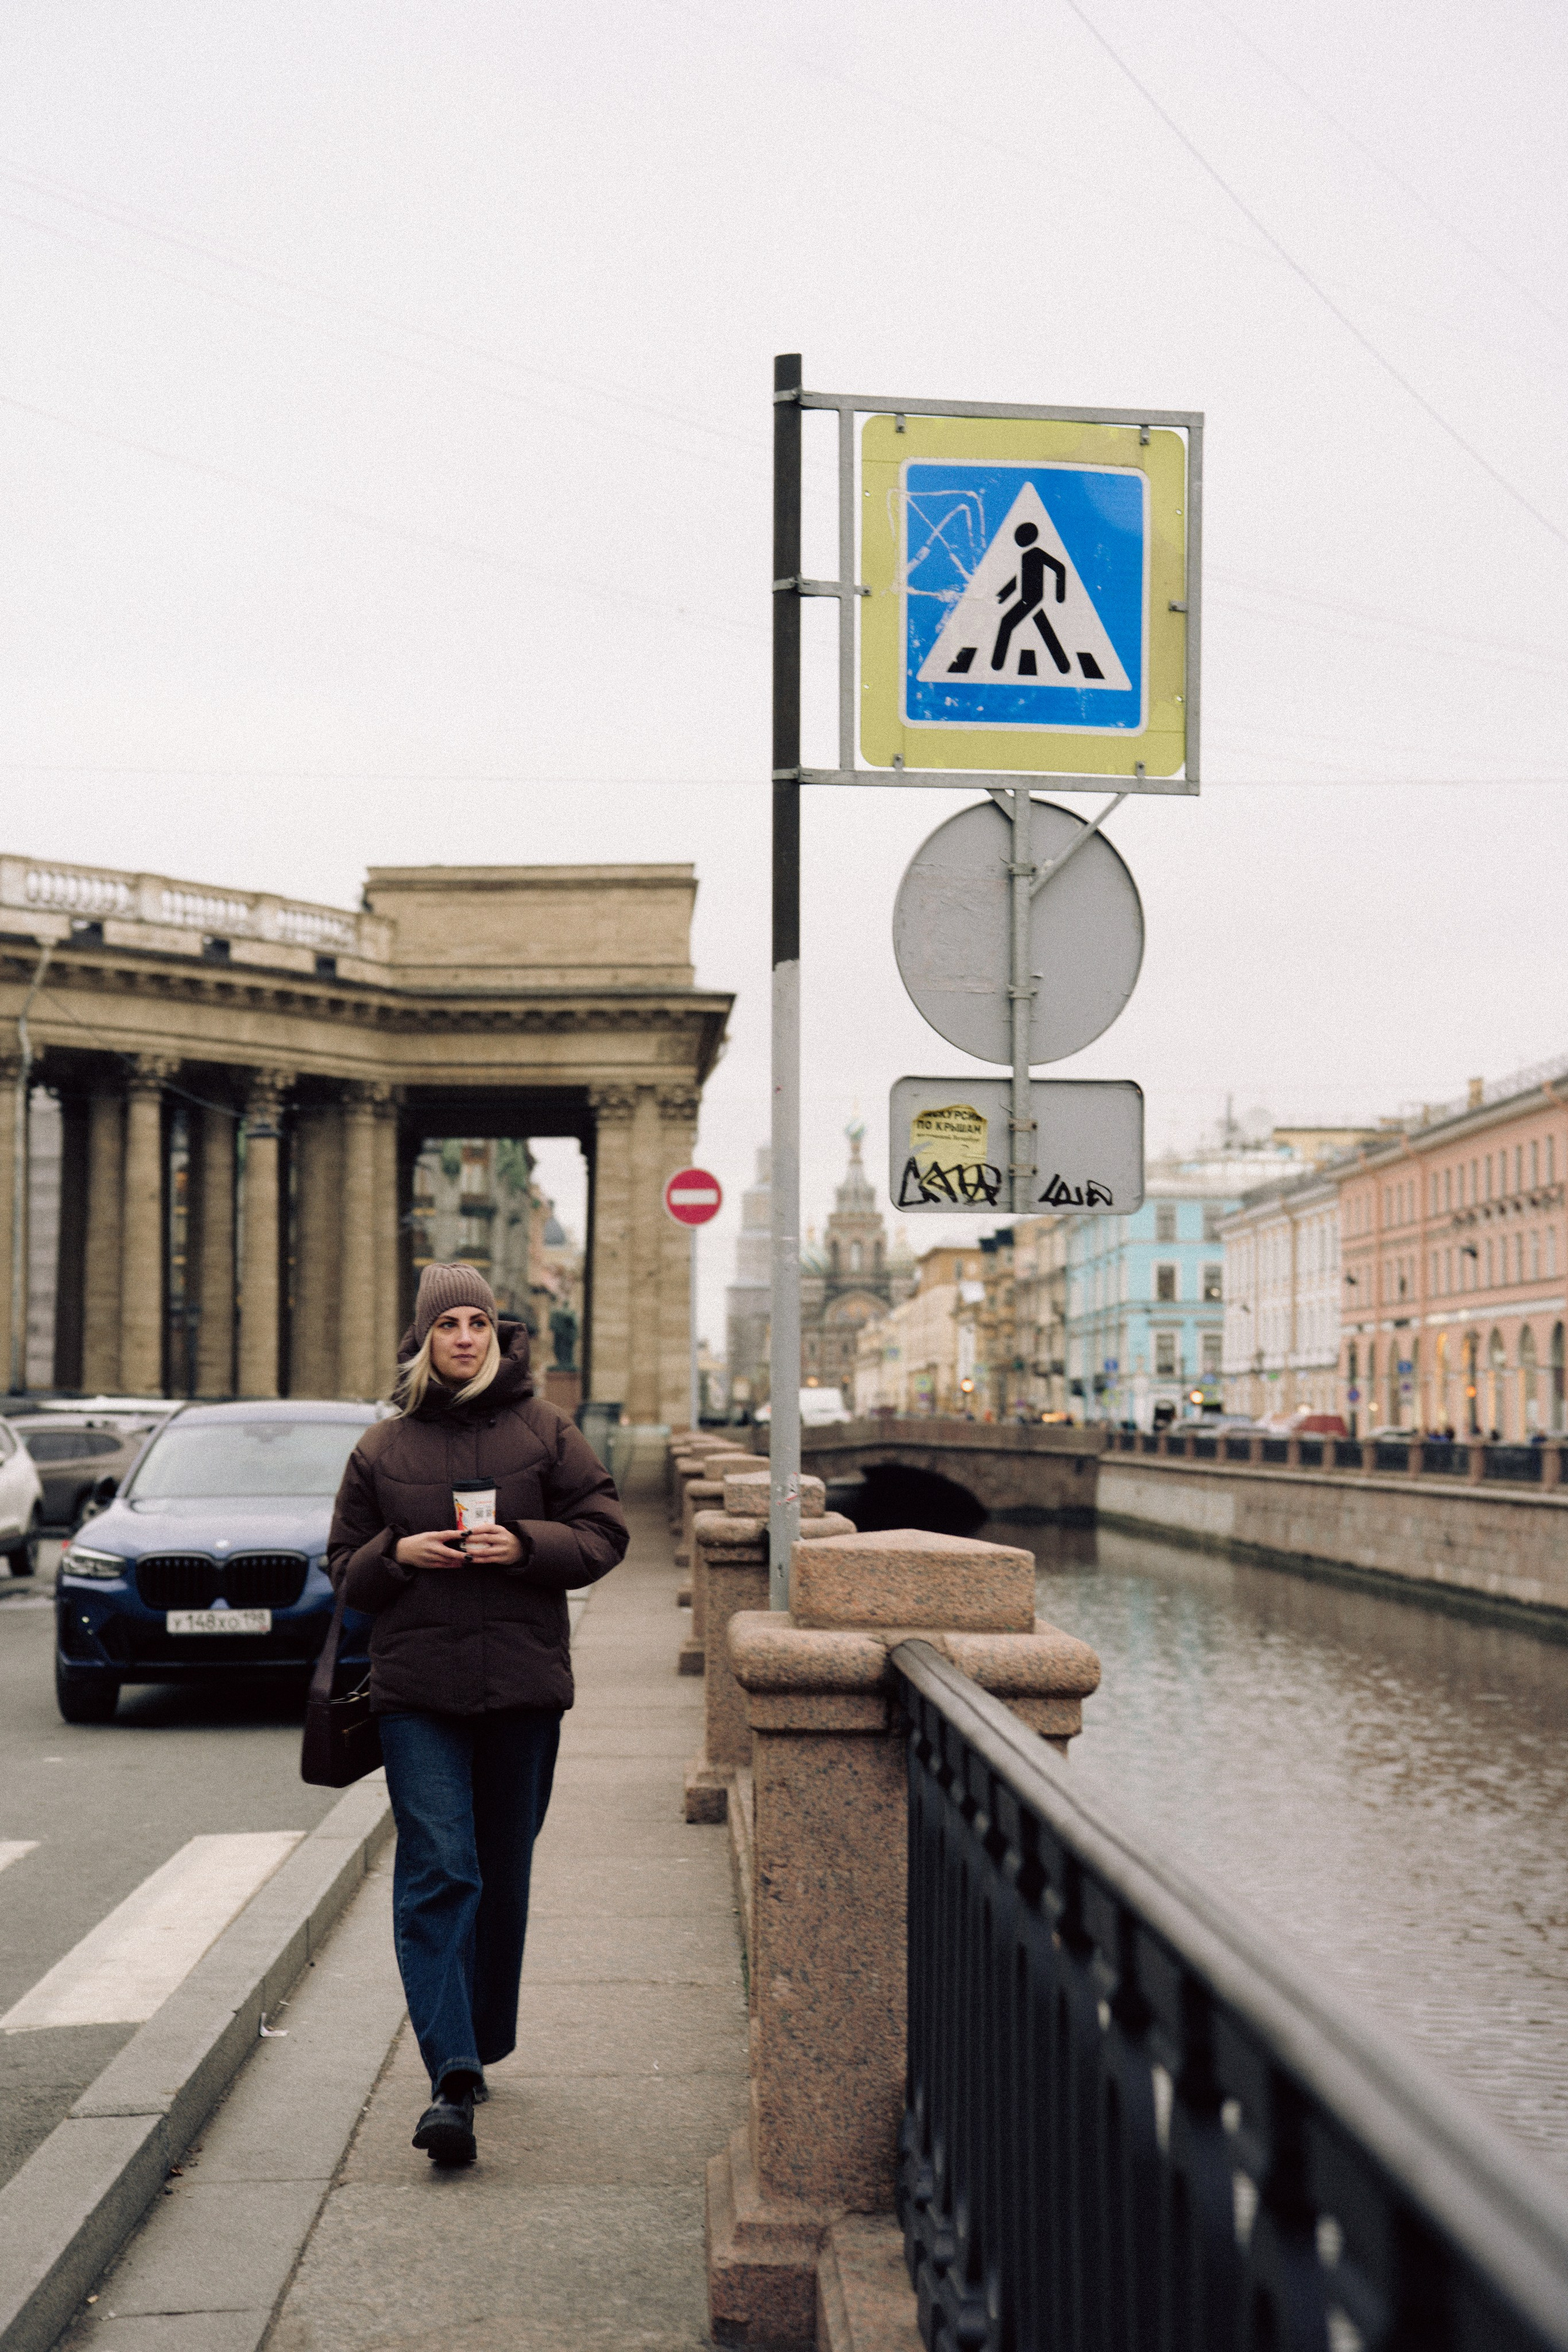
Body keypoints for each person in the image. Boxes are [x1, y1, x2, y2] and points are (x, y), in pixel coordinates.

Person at [328, 1262, 628, 2168]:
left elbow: (606, 1531)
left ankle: (482, 2037)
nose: (465, 1336)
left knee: (500, 1871)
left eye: (480, 1322)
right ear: (422, 1340)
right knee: (439, 1870)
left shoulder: (546, 1432)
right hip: (418, 1692)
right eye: (449, 1323)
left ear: (499, 1337)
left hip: (522, 1691)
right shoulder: (381, 1450)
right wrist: (399, 1551)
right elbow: (343, 1568)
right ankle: (450, 2078)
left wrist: (526, 1543)